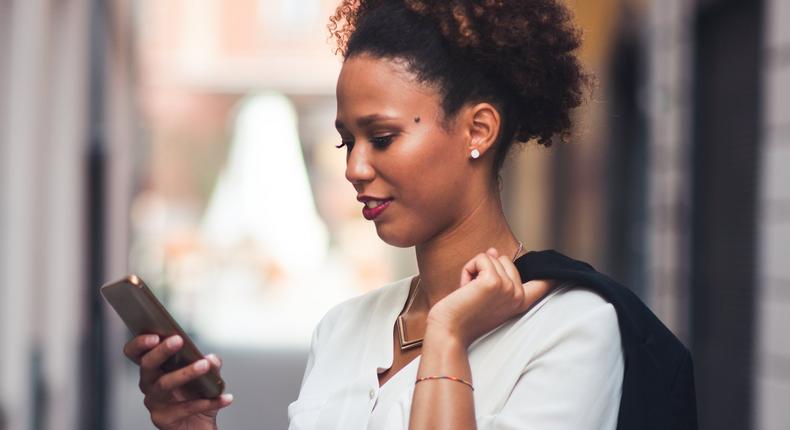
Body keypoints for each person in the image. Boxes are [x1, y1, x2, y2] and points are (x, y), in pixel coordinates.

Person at [122, 0, 628, 428]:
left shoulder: (570, 330)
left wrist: (448, 337)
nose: (354, 168)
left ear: (478, 130)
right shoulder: (342, 329)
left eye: (382, 138)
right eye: (347, 141)